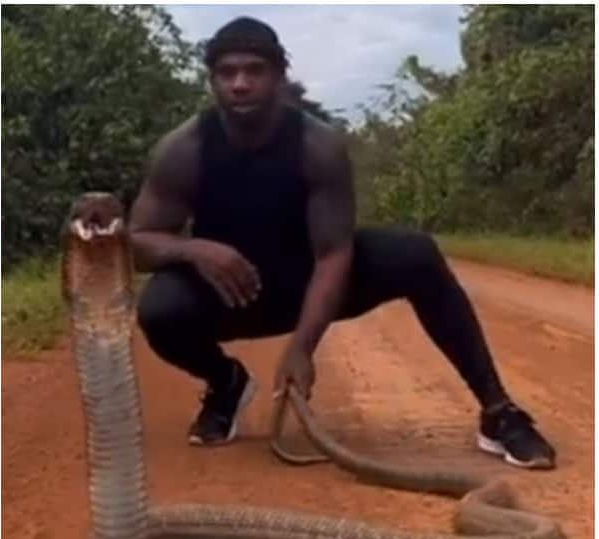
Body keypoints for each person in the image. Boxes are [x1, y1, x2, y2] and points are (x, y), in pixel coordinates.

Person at [128, 16, 556, 469]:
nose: (239, 84)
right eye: (227, 72)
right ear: (212, 79)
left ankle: (497, 411)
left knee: (416, 254)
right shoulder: (183, 149)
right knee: (159, 309)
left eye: (254, 70)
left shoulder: (317, 144)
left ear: (278, 75)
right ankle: (225, 383)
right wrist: (194, 248)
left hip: (309, 280)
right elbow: (137, 244)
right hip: (233, 290)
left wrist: (302, 348)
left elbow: (334, 254)